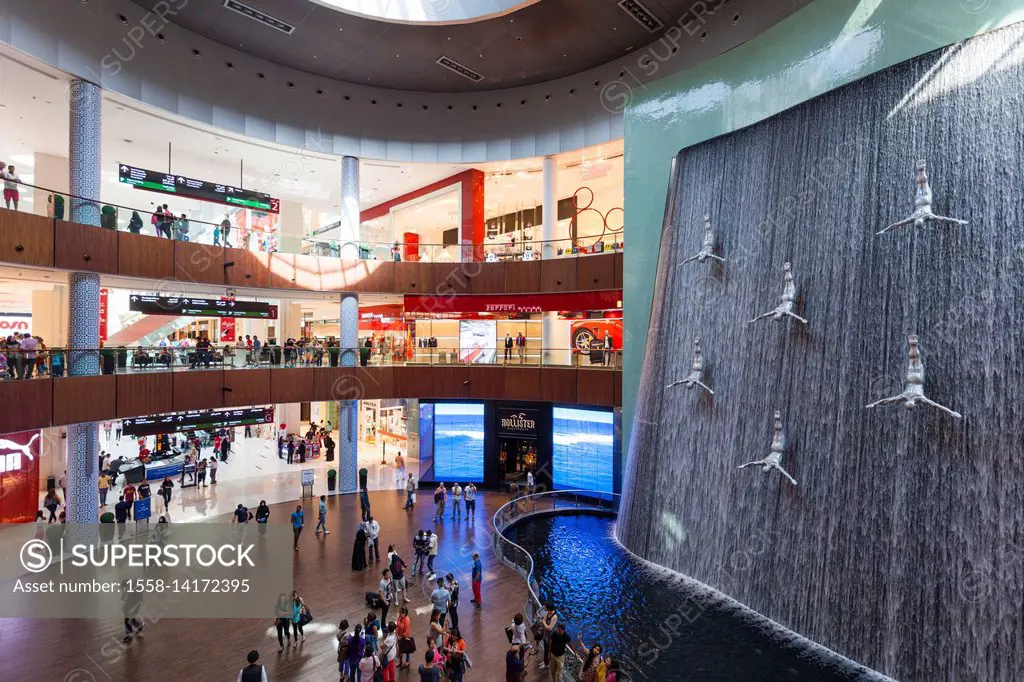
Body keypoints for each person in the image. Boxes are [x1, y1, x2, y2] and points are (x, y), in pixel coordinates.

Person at [538, 602, 557, 668]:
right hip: (546, 634)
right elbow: (544, 620)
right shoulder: (548, 613)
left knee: (548, 650)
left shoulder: (554, 616)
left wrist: (544, 623)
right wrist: (544, 623)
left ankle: (547, 664)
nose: (544, 608)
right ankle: (545, 661)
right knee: (545, 649)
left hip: (550, 637)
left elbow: (550, 628)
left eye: (546, 607)